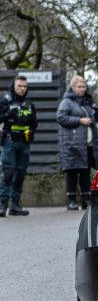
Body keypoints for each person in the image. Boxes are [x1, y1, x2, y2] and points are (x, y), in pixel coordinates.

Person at [57, 75, 98, 211]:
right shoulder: (67, 102)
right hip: (73, 143)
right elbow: (61, 118)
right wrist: (79, 121)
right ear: (72, 87)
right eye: (79, 86)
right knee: (72, 171)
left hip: (87, 143)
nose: (82, 89)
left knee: (85, 170)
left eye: (84, 87)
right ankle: (71, 201)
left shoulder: (87, 101)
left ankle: (86, 200)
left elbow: (97, 119)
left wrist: (95, 109)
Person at [0, 75, 38, 217]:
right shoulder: (5, 101)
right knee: (8, 173)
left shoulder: (29, 104)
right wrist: (8, 114)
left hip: (24, 142)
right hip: (10, 141)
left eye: (25, 86)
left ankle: (15, 205)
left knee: (20, 174)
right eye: (19, 86)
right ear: (14, 86)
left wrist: (30, 122)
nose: (22, 89)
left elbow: (35, 124)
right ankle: (2, 205)